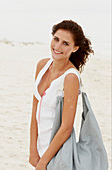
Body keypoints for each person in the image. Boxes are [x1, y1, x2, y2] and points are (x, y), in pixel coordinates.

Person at [29, 20, 94, 170]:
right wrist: (33, 150)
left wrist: (44, 161)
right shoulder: (42, 66)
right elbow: (34, 111)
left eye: (65, 43)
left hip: (57, 153)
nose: (57, 47)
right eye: (56, 39)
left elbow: (66, 127)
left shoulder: (71, 77)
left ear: (75, 48)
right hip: (39, 150)